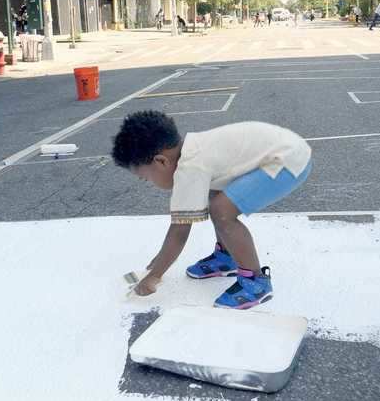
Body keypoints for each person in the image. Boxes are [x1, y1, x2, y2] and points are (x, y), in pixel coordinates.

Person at [111, 111, 312, 309]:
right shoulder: (192, 149)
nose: (149, 182)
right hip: (287, 150)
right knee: (216, 194)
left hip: (288, 162)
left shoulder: (190, 168)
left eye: (146, 178)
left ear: (161, 161)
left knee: (222, 210)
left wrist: (155, 275)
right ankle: (228, 256)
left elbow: (180, 231)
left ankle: (256, 282)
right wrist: (161, 259)